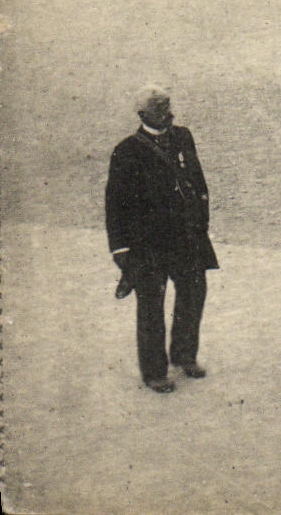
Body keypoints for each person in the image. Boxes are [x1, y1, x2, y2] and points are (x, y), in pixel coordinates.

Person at [106, 86, 218, 393]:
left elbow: (197, 178)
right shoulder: (126, 150)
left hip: (187, 237)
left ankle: (184, 355)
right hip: (148, 245)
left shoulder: (183, 136)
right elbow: (114, 204)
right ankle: (154, 372)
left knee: (194, 294)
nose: (169, 114)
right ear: (142, 115)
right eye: (160, 109)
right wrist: (121, 249)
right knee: (151, 307)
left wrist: (201, 219)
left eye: (168, 106)